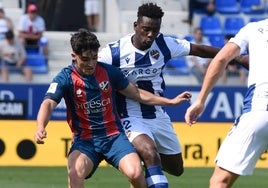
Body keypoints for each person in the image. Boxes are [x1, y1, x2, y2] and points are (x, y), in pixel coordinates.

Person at [98, 2, 249, 187]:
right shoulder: (113, 52)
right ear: (136, 26)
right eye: (146, 29)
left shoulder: (164, 44)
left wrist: (238, 58)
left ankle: (141, 163)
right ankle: (134, 157)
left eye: (155, 29)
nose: (150, 34)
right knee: (150, 153)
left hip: (158, 115)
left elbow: (200, 50)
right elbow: (88, 72)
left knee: (176, 168)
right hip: (129, 116)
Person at [33, 28, 192, 188]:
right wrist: (40, 126)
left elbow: (136, 93)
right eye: (85, 59)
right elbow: (48, 103)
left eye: (94, 58)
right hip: (85, 141)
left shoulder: (108, 72)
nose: (91, 64)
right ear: (74, 56)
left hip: (114, 137)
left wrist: (169, 102)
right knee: (75, 172)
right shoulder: (64, 78)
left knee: (136, 173)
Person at [185, 19, 268, 187]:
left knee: (219, 181)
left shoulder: (254, 29)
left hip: (260, 109)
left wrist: (200, 100)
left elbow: (221, 58)